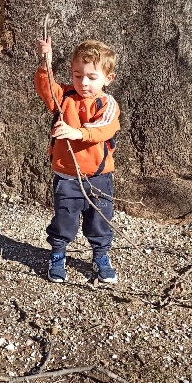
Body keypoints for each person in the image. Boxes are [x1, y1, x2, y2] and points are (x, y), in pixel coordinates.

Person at [34, 37, 120, 283]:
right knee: (64, 218)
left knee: (100, 219)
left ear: (107, 78)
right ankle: (58, 253)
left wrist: (77, 133)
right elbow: (46, 88)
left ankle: (101, 255)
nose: (83, 83)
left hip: (98, 178)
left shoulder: (108, 104)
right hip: (66, 176)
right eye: (77, 75)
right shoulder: (65, 98)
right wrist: (45, 62)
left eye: (92, 77)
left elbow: (104, 128)